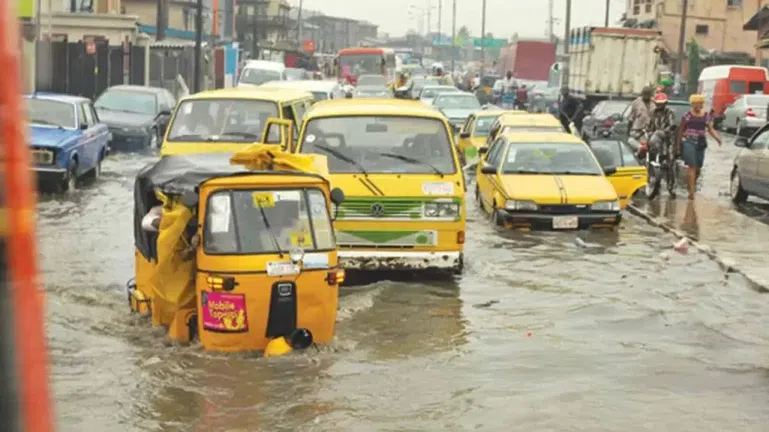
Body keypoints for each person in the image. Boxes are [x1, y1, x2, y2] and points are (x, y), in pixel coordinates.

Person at [675, 93, 722, 200]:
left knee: (698, 169)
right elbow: (681, 130)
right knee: (692, 167)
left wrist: (717, 138)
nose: (698, 105)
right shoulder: (687, 115)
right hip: (688, 142)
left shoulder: (706, 116)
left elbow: (710, 129)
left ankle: (691, 183)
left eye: (700, 103)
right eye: (696, 103)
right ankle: (691, 192)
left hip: (701, 143)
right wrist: (678, 146)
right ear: (692, 104)